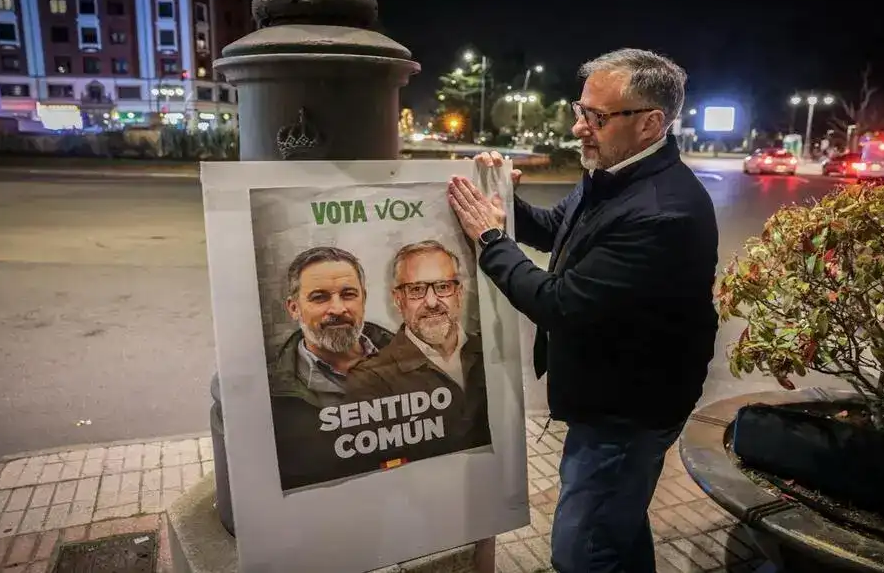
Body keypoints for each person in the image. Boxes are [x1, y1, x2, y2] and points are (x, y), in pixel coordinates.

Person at [447, 48, 719, 573]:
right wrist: (504, 204)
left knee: (582, 550)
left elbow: (560, 304)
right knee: (615, 526)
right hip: (610, 397)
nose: (578, 128)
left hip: (628, 412)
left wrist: (489, 239)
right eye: (580, 109)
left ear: (649, 123)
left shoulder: (662, 212)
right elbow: (557, 230)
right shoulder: (617, 175)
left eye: (595, 117)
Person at [347, 240, 491, 463]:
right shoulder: (369, 378)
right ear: (398, 299)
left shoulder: (489, 351)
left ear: (459, 293)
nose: (432, 302)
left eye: (443, 287)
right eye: (416, 290)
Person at [268, 246, 394, 490]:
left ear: (364, 299)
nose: (337, 309)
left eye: (348, 294)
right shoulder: (269, 389)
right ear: (294, 308)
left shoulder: (412, 359)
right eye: (319, 297)